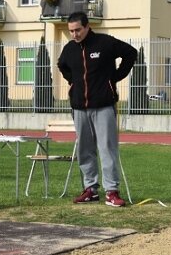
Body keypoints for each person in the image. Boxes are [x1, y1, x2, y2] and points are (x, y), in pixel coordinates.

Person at [57, 11, 138, 207]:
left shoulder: (105, 43)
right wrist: (73, 82)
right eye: (71, 31)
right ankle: (90, 189)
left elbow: (131, 53)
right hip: (79, 107)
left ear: (86, 27)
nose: (74, 35)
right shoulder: (69, 49)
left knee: (107, 148)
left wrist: (115, 77)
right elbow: (62, 65)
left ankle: (112, 191)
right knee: (85, 150)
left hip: (103, 105)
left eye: (77, 30)